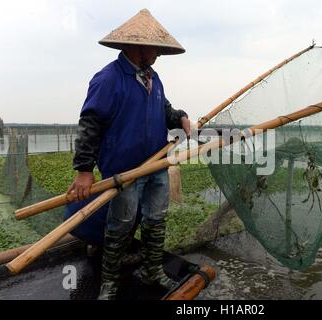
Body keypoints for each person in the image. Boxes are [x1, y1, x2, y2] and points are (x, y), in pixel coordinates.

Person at [66, 9, 191, 300]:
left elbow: (165, 112)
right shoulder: (109, 79)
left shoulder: (153, 79)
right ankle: (109, 281)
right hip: (125, 171)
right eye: (156, 48)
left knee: (155, 220)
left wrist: (181, 118)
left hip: (156, 166)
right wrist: (84, 170)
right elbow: (91, 123)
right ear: (138, 46)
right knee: (120, 225)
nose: (159, 54)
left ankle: (152, 269)